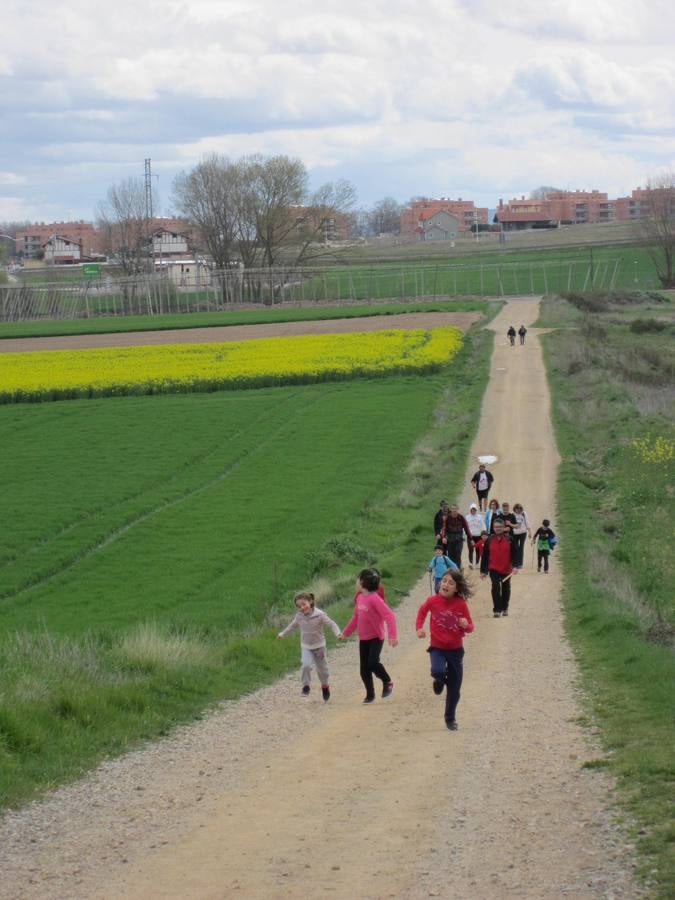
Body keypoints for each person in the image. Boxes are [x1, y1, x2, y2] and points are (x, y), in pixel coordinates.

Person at [416, 569, 474, 731]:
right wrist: (419, 627)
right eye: (444, 581)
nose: (446, 584)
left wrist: (465, 625)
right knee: (437, 670)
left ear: (457, 588)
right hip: (438, 648)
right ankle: (439, 680)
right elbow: (422, 612)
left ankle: (450, 718)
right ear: (439, 583)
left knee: (455, 690)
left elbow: (470, 627)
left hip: (456, 650)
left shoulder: (461, 604)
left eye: (451, 582)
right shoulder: (433, 600)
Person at [340, 568, 398, 703]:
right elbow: (355, 617)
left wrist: (392, 635)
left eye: (358, 578)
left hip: (376, 637)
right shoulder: (360, 597)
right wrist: (345, 633)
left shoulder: (374, 599)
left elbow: (389, 615)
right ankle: (370, 695)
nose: (356, 581)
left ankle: (387, 681)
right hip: (363, 638)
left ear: (362, 582)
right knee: (363, 669)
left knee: (372, 663)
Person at [278, 591, 342, 700]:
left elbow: (331, 624)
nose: (302, 607)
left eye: (304, 604)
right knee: (306, 665)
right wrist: (283, 634)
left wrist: (338, 633)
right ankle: (306, 686)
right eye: (299, 606)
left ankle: (325, 686)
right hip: (306, 646)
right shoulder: (299, 616)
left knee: (322, 669)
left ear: (310, 602)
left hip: (319, 646)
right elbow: (292, 626)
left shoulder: (319, 615)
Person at [480, 519, 518, 616]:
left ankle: (505, 608)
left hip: (507, 569)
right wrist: (483, 571)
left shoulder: (510, 539)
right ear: (493, 528)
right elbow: (484, 556)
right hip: (494, 569)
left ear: (503, 527)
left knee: (506, 588)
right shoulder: (489, 540)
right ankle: (497, 610)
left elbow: (516, 553)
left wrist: (516, 566)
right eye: (496, 527)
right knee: (495, 588)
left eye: (500, 527)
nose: (498, 528)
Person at [511, 502, 531, 570]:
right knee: (516, 548)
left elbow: (527, 523)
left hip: (523, 533)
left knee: (521, 548)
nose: (518, 510)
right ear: (515, 509)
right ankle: (515, 563)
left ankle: (520, 563)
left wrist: (529, 532)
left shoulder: (524, 514)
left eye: (520, 508)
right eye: (517, 508)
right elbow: (511, 524)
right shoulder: (512, 515)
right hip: (515, 534)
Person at [465, 502, 485, 568]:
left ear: (476, 510)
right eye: (472, 509)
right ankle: (470, 563)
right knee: (471, 550)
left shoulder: (480, 517)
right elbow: (465, 527)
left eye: (474, 509)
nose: (473, 511)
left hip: (478, 536)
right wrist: (465, 535)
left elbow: (483, 525)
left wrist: (484, 533)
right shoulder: (467, 517)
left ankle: (477, 563)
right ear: (470, 510)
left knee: (478, 550)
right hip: (470, 537)